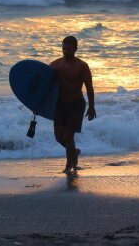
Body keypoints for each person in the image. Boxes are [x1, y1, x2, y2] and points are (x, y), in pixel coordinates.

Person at [50, 35, 96, 176]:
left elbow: (89, 87)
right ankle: (74, 152)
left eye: (69, 49)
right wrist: (37, 103)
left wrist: (92, 106)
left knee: (68, 136)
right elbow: (45, 86)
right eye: (63, 48)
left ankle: (69, 164)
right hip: (60, 105)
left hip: (76, 104)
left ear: (75, 49)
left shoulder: (81, 66)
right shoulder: (55, 65)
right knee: (59, 137)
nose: (65, 51)